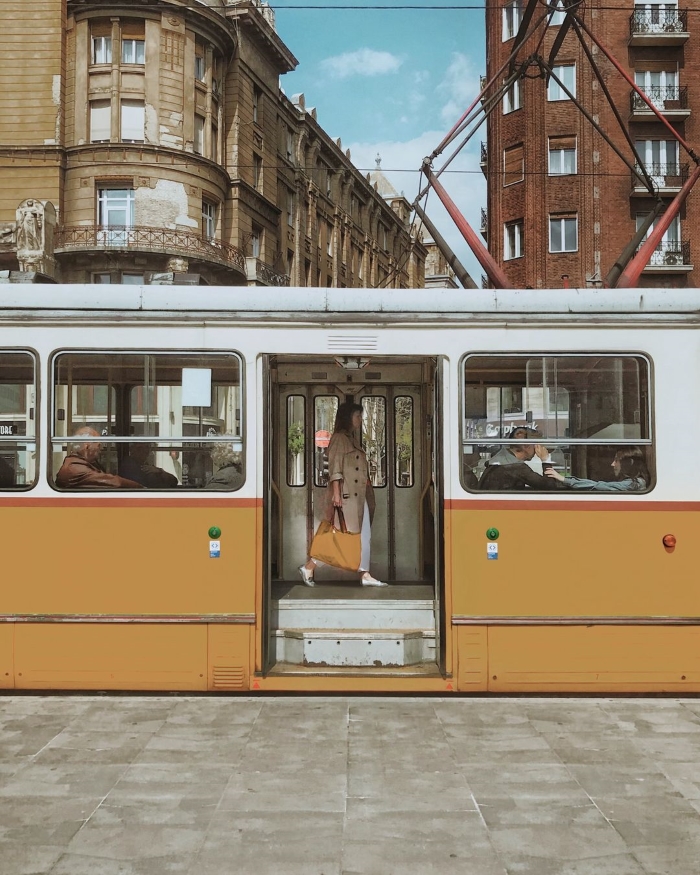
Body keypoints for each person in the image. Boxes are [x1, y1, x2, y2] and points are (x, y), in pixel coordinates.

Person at [298, 401, 384, 587]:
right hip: (347, 497)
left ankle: (364, 573)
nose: (360, 420)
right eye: (357, 416)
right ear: (347, 418)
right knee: (343, 536)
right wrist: (336, 494)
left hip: (358, 496)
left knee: (359, 535)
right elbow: (335, 469)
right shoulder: (339, 439)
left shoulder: (350, 438)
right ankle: (311, 565)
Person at [477, 428, 562, 491]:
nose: (538, 449)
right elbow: (550, 487)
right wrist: (546, 460)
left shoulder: (501, 461)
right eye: (537, 444)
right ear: (526, 445)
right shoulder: (516, 467)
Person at [56, 427, 142, 488]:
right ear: (87, 446)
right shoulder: (74, 468)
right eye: (99, 445)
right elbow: (113, 482)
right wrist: (140, 487)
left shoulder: (84, 463)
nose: (101, 449)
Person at [545, 446, 650, 492]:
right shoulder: (636, 482)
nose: (613, 464)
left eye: (616, 460)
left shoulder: (633, 484)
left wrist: (564, 479)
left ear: (628, 463)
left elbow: (598, 486)